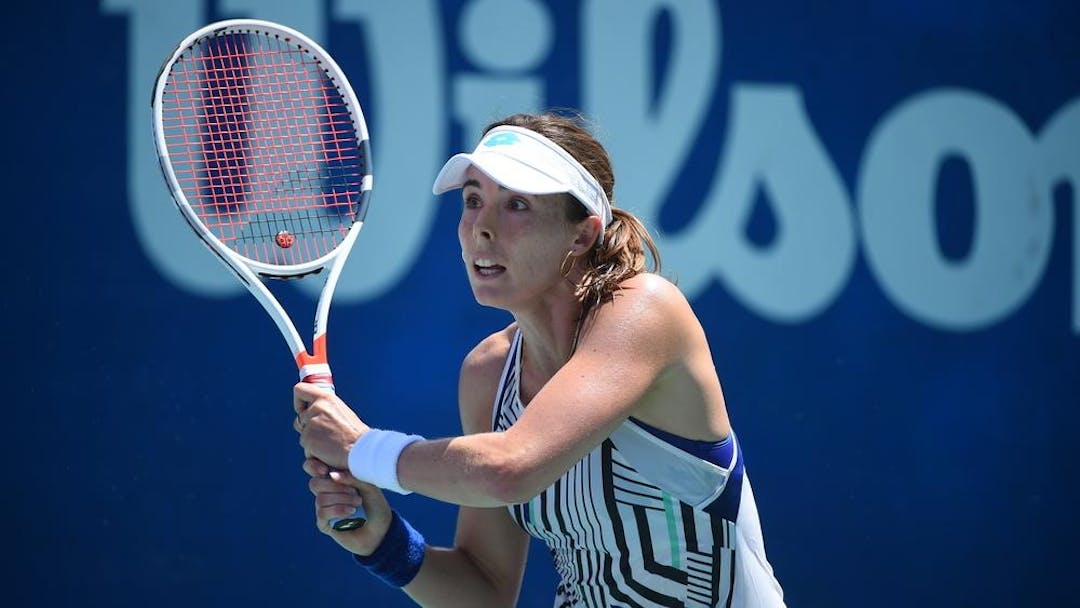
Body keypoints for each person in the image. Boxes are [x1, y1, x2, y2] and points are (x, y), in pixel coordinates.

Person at [294, 111, 786, 607]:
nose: (482, 228)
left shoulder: (646, 310)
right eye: (473, 200)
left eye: (517, 205)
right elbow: (486, 592)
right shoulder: (488, 374)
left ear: (583, 234)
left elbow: (510, 469)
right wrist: (385, 544)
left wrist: (363, 448)